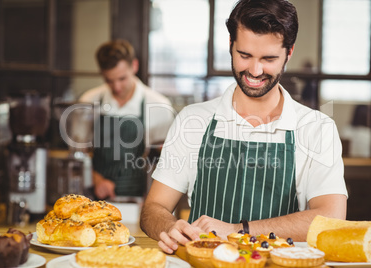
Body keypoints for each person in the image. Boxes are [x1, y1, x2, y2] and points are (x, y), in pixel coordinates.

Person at [140, 0, 348, 254]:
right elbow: (153, 208)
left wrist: (239, 230)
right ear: (230, 45)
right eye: (244, 55)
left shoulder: (317, 128)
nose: (255, 70)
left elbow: (331, 220)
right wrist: (170, 227)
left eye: (269, 58)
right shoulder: (193, 120)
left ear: (289, 52)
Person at [80, 39, 175, 200]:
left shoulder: (159, 106)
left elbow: (167, 161)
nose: (116, 87)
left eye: (122, 79)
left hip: (140, 199)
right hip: (94, 199)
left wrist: (155, 197)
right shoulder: (89, 101)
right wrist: (96, 180)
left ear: (135, 66)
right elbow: (78, 155)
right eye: (109, 80)